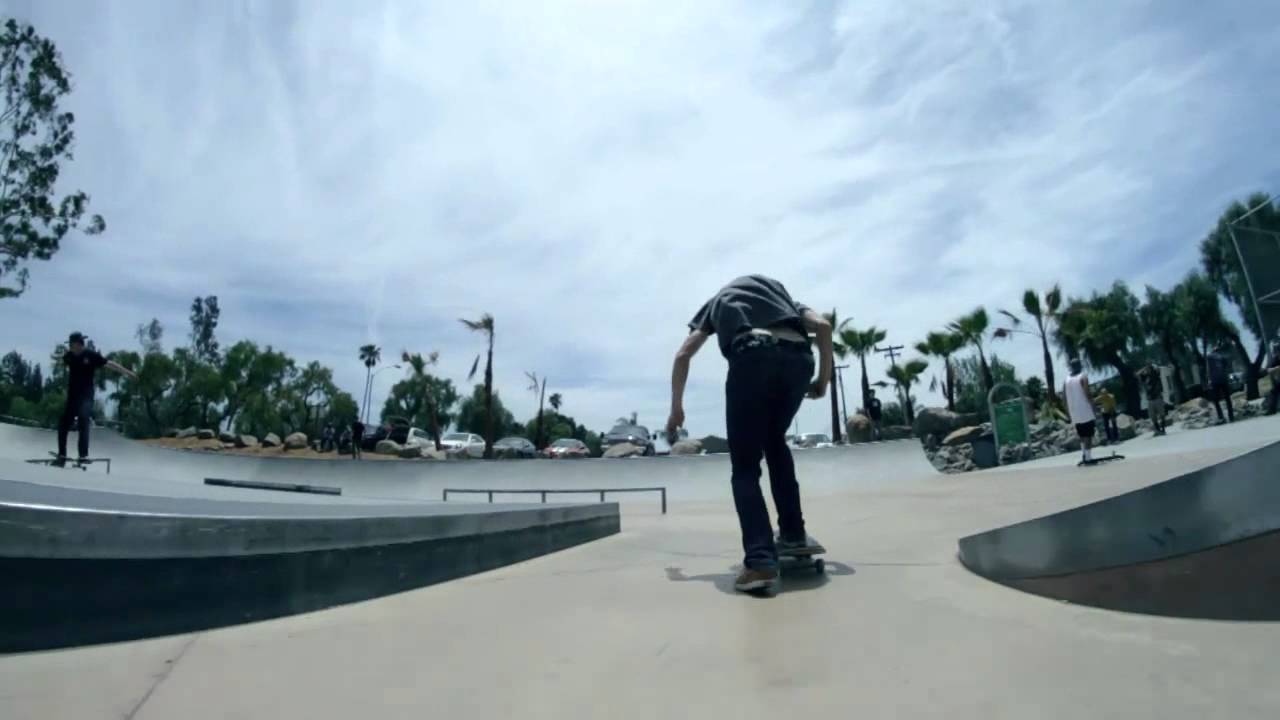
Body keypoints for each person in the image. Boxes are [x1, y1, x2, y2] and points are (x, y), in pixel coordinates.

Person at [666, 275, 834, 593]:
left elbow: (683, 355)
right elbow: (823, 327)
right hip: (800, 360)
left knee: (745, 467)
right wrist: (823, 382)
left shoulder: (719, 301)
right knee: (775, 441)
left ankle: (759, 563)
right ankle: (794, 534)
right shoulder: (786, 304)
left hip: (752, 353)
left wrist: (676, 409)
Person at [56, 332, 136, 465]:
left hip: (86, 396)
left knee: (83, 420)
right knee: (63, 424)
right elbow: (61, 360)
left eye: (71, 344)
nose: (70, 347)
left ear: (77, 344)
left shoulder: (90, 355)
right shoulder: (68, 356)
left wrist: (126, 372)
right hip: (72, 396)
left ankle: (83, 455)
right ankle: (62, 455)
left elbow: (109, 363)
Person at [1064, 358, 1097, 464]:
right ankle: (1088, 458)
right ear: (1079, 365)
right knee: (1088, 435)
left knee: (1082, 435)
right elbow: (1087, 393)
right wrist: (1093, 406)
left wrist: (1068, 412)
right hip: (1085, 410)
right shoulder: (1083, 377)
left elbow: (1064, 397)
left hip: (1074, 413)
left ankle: (1084, 454)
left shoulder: (1066, 380)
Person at [1206, 341, 1234, 424]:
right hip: (1223, 379)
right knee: (1227, 398)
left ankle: (1221, 417)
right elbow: (1226, 367)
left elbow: (1208, 369)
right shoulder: (1222, 357)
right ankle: (1231, 416)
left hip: (1215, 380)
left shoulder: (1209, 357)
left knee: (1216, 399)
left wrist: (1209, 379)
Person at [1140, 364, 1167, 436]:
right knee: (1152, 417)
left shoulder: (1155, 375)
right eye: (1146, 370)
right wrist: (1144, 368)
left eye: (1148, 369)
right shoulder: (1145, 377)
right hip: (1150, 399)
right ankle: (1158, 430)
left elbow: (1158, 369)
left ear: (1151, 369)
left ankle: (1163, 429)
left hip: (1158, 397)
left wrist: (1152, 365)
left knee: (1162, 415)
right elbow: (1137, 374)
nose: (1147, 370)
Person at [1266, 337, 1280, 416]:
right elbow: (1268, 370)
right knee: (1273, 392)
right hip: (1278, 382)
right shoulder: (1275, 359)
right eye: (1277, 352)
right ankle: (1271, 410)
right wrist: (1276, 368)